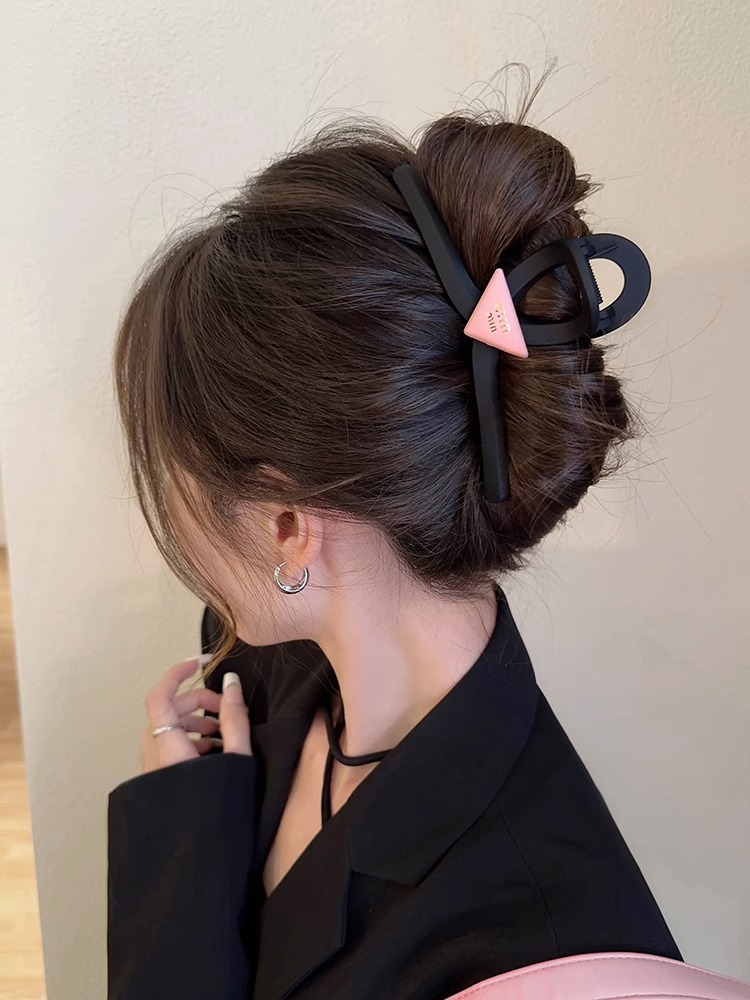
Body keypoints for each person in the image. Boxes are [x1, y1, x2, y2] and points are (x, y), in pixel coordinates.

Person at [107, 90, 681, 1000]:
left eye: (174, 473)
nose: (169, 519)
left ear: (288, 526)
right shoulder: (267, 658)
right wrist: (187, 825)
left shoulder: (544, 954)